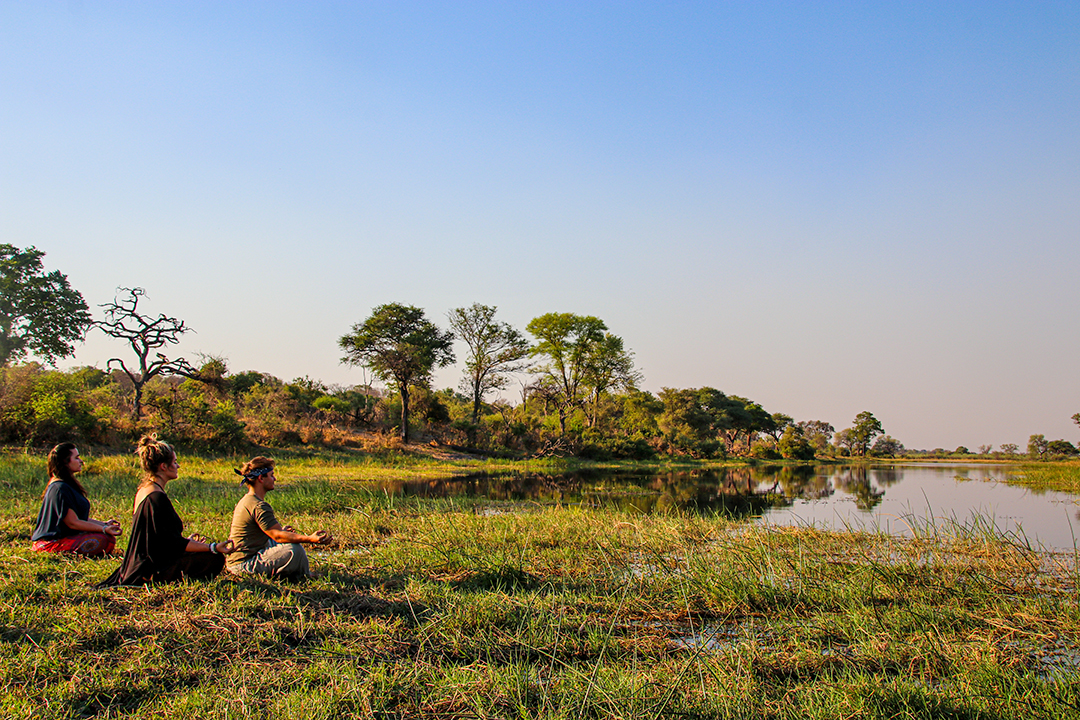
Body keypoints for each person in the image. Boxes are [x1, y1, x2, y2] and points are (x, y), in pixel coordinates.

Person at [99, 435, 233, 586]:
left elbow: (159, 539)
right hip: (150, 569)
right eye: (175, 462)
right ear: (163, 466)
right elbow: (173, 544)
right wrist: (212, 547)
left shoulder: (144, 490)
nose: (178, 466)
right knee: (214, 558)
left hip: (139, 563)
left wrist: (189, 543)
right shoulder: (156, 498)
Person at [227, 456, 332, 579]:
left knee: (286, 540)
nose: (274, 479)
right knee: (294, 549)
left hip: (242, 558)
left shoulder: (248, 500)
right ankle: (304, 576)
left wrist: (283, 533)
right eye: (271, 475)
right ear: (261, 478)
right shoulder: (258, 505)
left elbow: (271, 533)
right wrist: (310, 539)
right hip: (243, 565)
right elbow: (277, 535)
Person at [31, 443, 121, 557]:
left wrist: (104, 524)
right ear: (65, 462)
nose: (81, 461)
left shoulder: (65, 485)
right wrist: (103, 529)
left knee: (107, 538)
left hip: (64, 538)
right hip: (51, 543)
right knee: (104, 540)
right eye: (76, 457)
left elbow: (79, 518)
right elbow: (73, 523)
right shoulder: (60, 488)